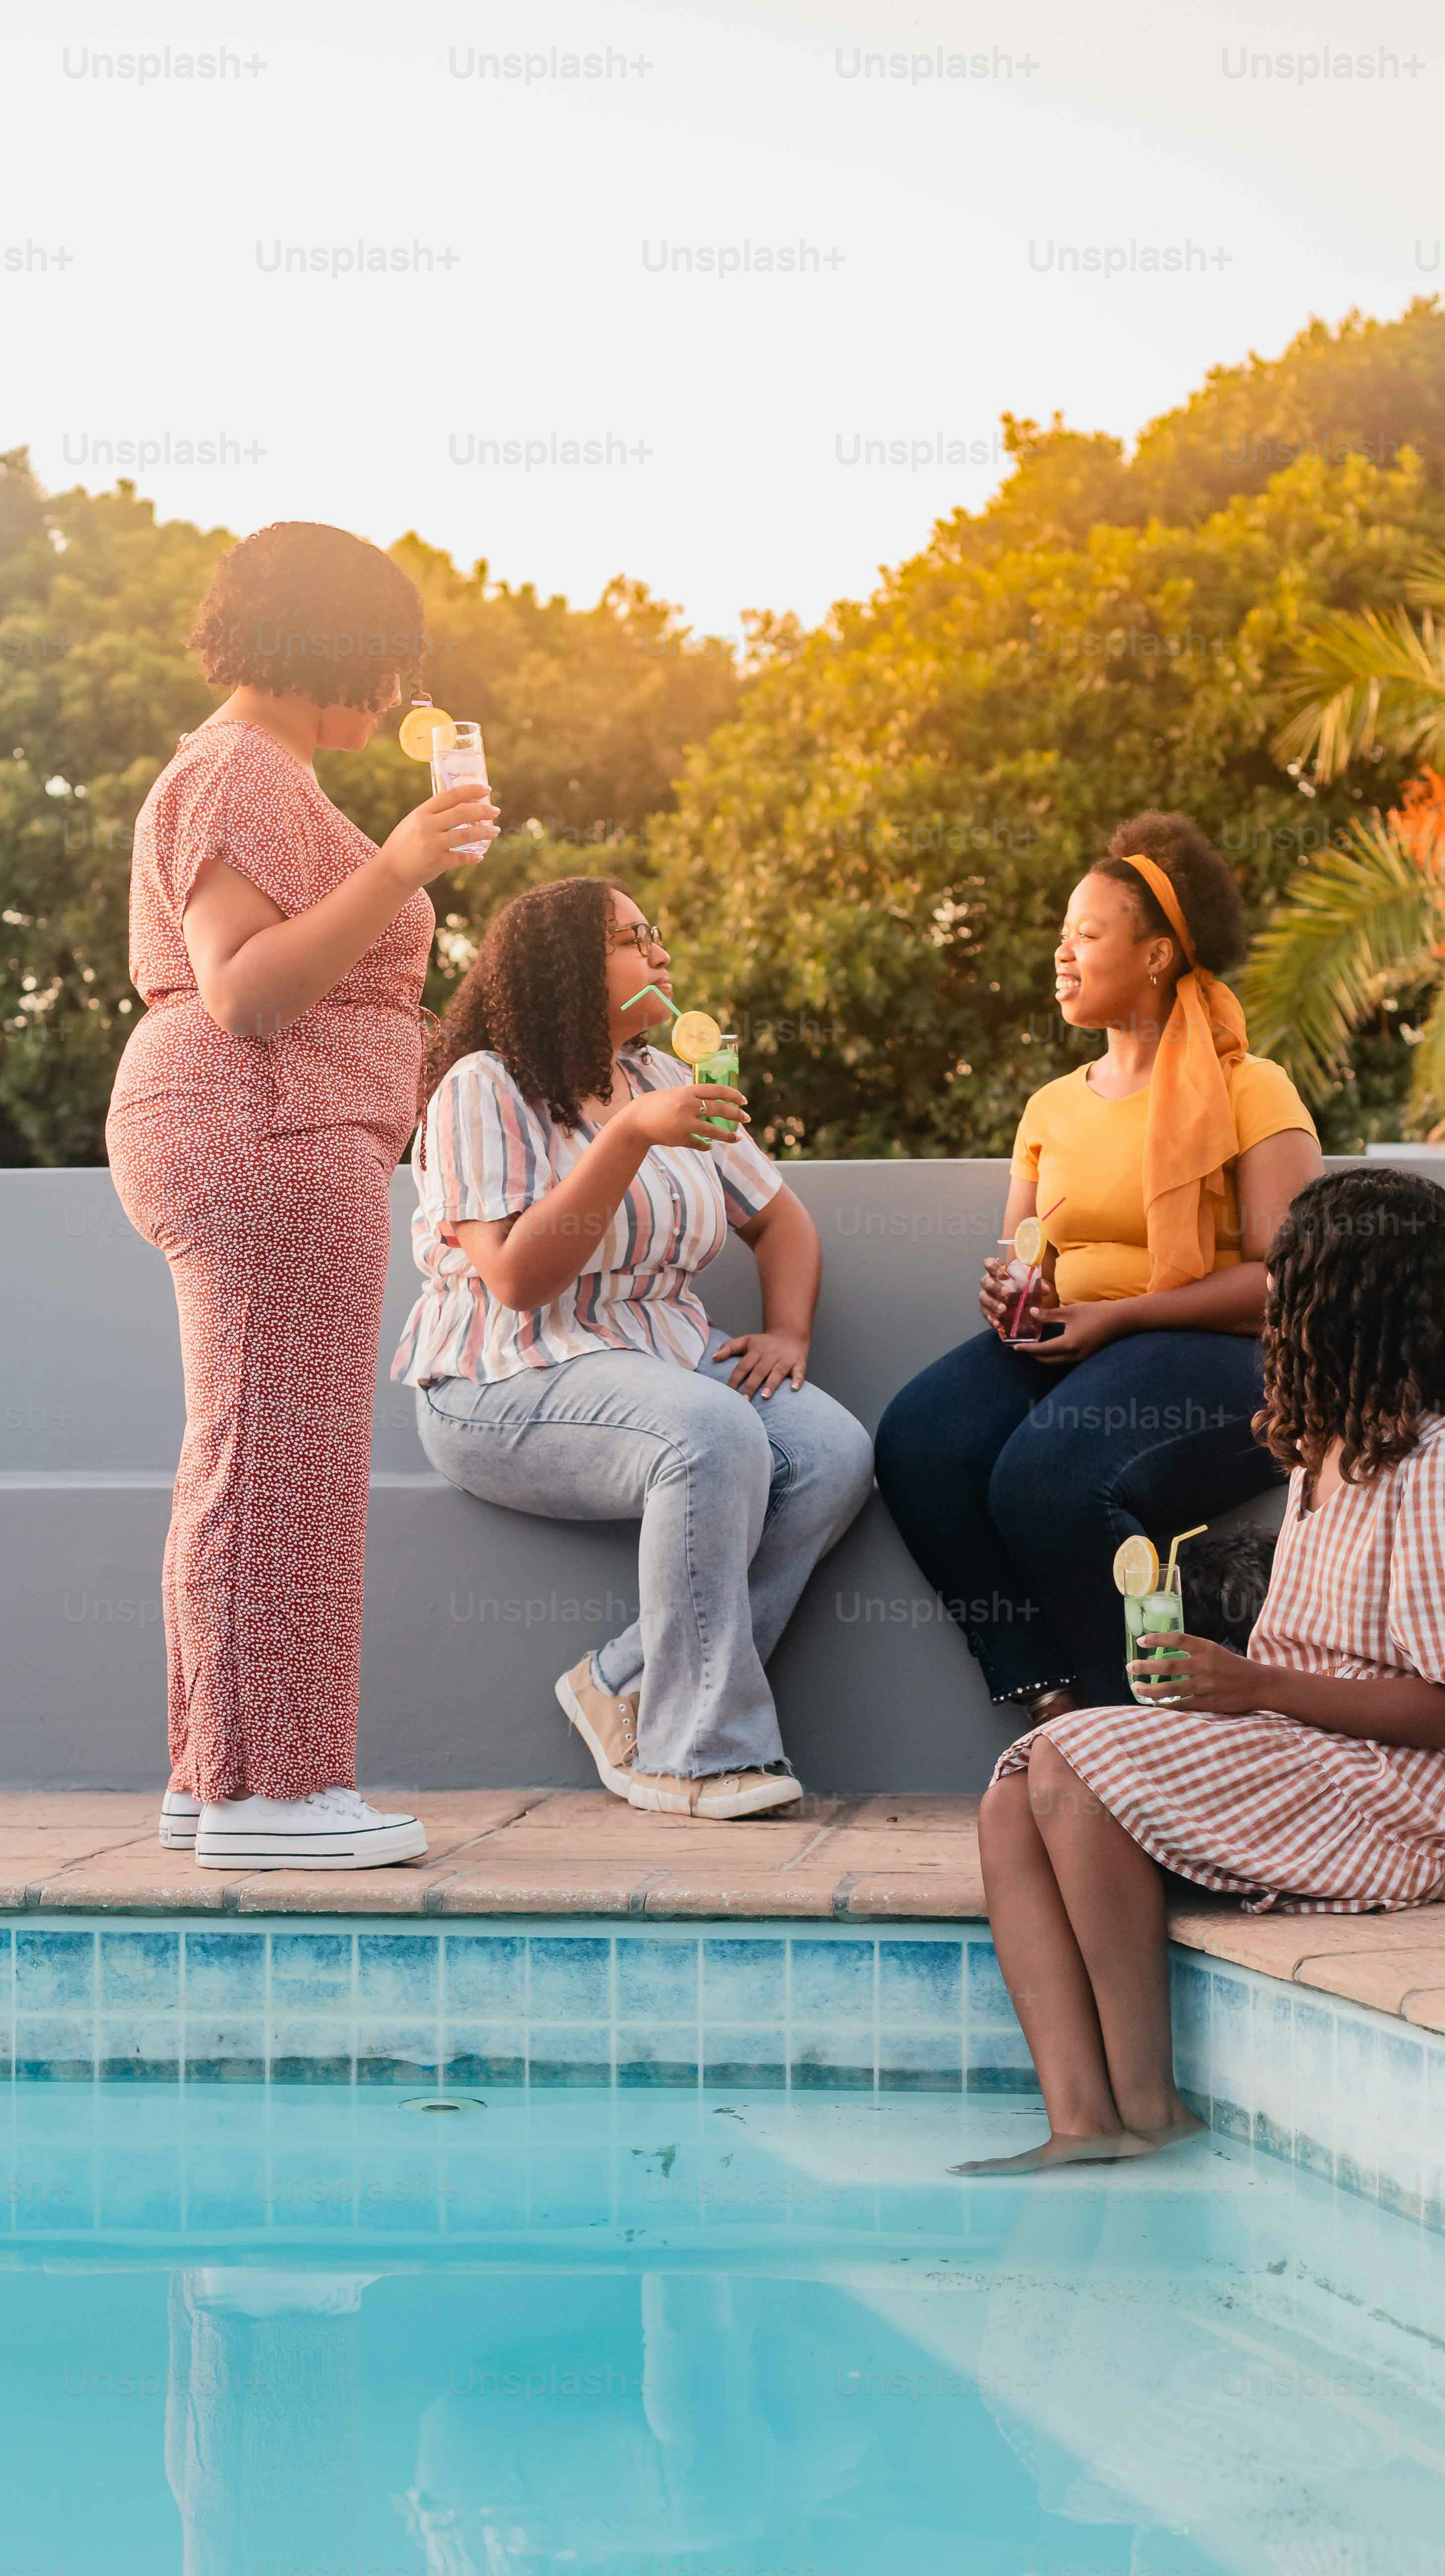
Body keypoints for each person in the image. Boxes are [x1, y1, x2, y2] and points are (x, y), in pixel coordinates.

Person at [957, 1165, 1445, 2176]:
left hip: (1418, 1796)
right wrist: (1225, 1689)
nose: (1271, 1308)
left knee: (1073, 1766)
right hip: (1310, 1749)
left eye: (1290, 1287)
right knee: (1018, 1787)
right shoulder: (1322, 1448)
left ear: (1356, 1306)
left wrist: (1253, 1688)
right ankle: (1083, 2120)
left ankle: (1149, 2109)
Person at [105, 520, 498, 1871]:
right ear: (328, 642)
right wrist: (398, 866)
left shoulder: (247, 771)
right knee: (284, 1466)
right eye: (383, 661)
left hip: (266, 1131)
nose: (392, 695)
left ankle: (213, 1771)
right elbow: (248, 988)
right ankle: (271, 1793)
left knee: (247, 1451)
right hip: (262, 1124)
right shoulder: (235, 771)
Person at [393, 877, 873, 1818]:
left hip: (660, 1355)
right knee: (709, 1431)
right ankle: (691, 1752)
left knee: (830, 1452)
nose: (659, 955)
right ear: (569, 968)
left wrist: (788, 1332)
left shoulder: (664, 1082)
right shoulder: (480, 1088)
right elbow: (518, 1281)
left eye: (657, 936)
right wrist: (627, 1141)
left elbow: (781, 1222)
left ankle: (624, 1680)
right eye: (631, 939)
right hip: (504, 1376)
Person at [875, 811, 1322, 1726]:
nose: (1062, 954)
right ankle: (1044, 1686)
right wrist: (1011, 1294)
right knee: (918, 1441)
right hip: (1072, 1344)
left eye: (1086, 933)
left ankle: (1135, 1728)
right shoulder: (1050, 1107)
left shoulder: (1252, 1087)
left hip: (1221, 1352)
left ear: (1156, 956)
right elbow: (1022, 1254)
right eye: (1062, 936)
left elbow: (1288, 1285)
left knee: (1047, 1476)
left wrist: (1118, 1318)